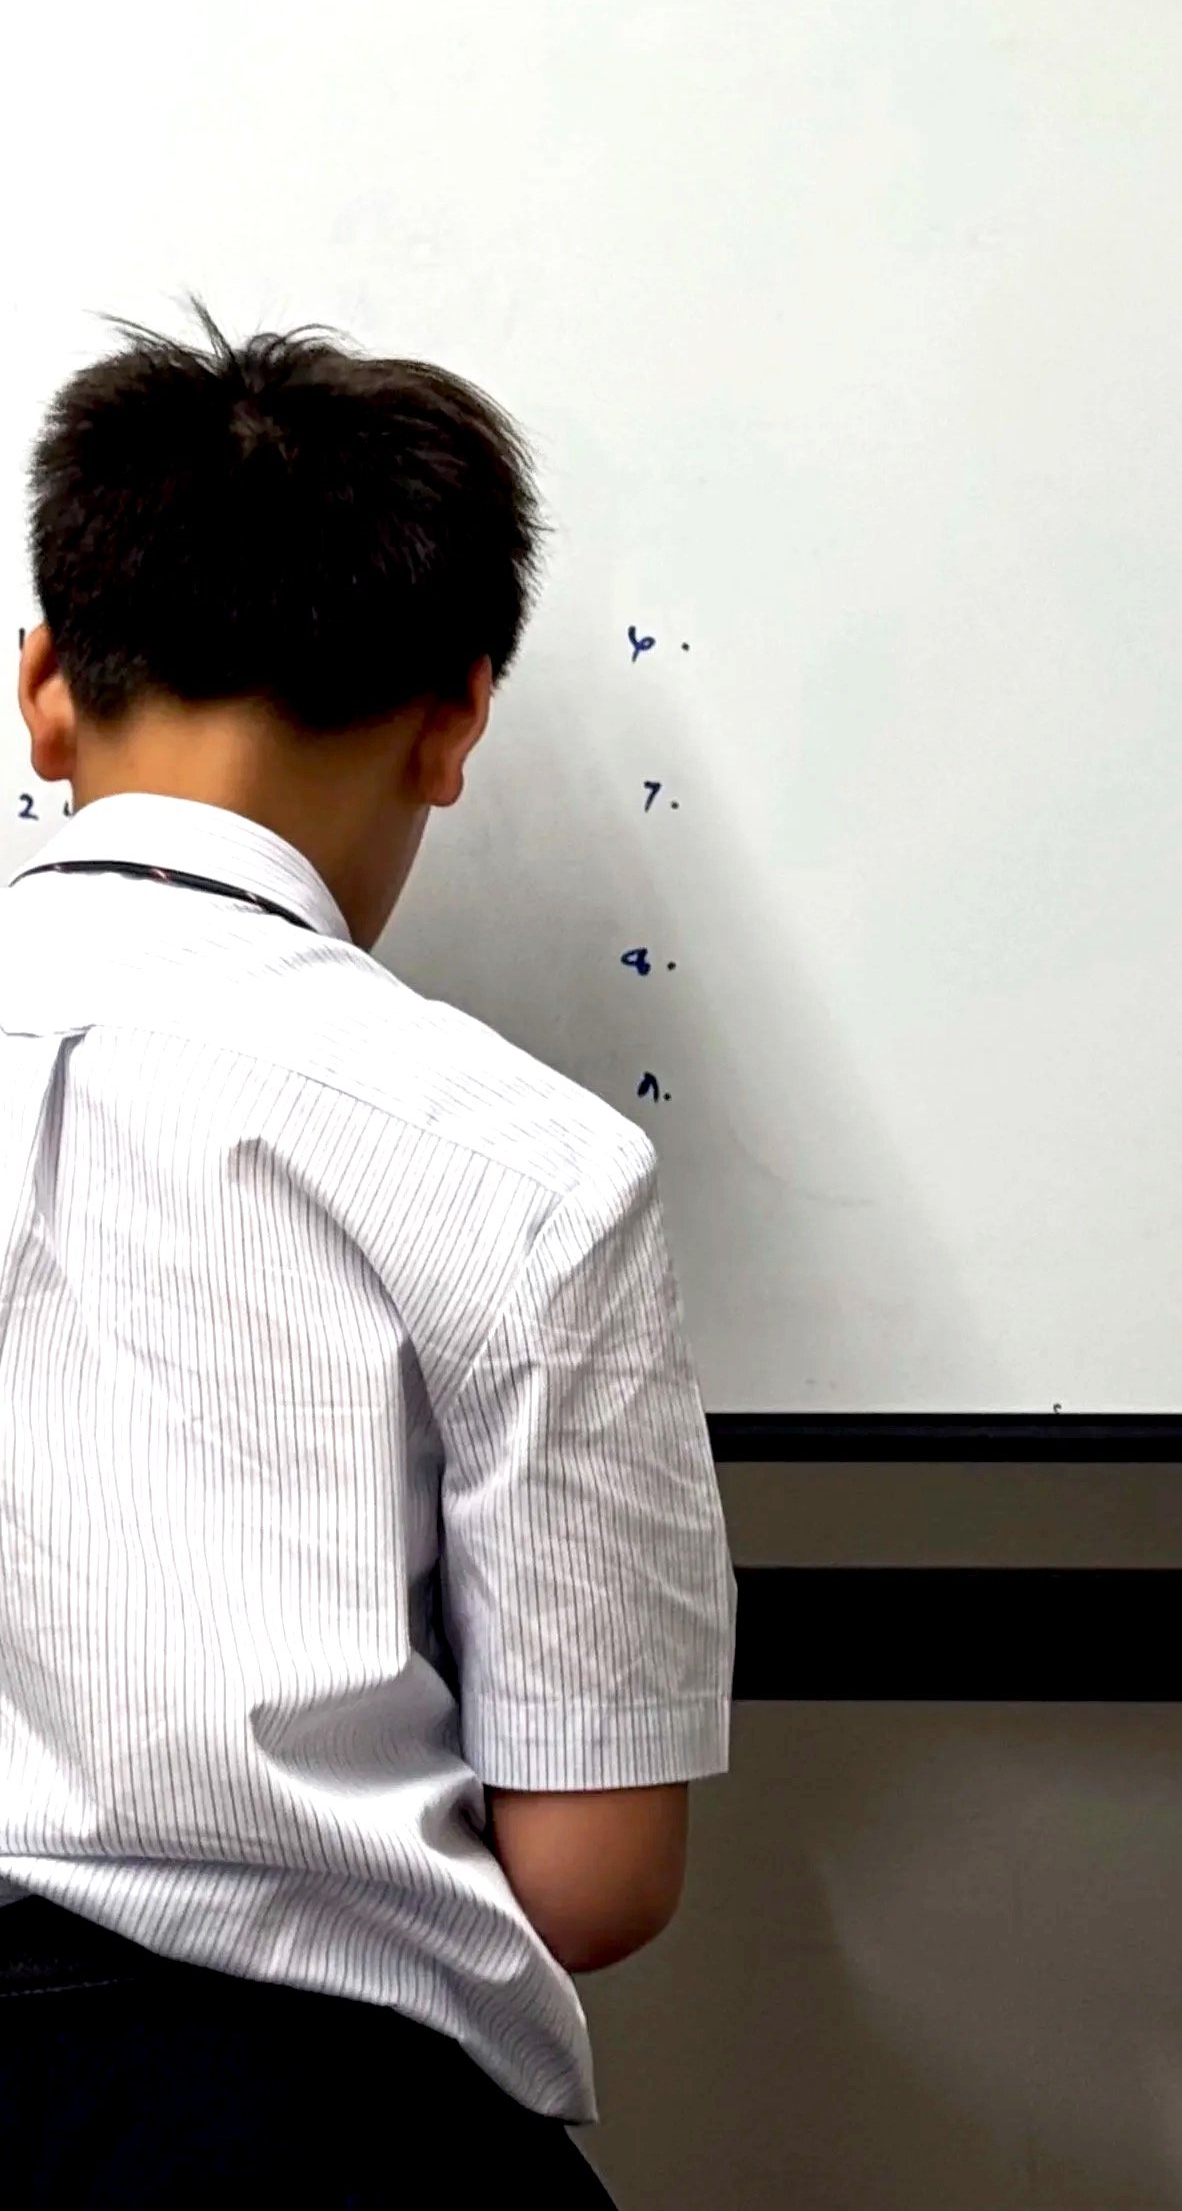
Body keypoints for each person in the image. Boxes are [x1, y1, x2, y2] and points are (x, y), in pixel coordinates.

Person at [0, 315, 733, 2204]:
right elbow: (592, 1879)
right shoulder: (530, 1172)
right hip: (288, 2134)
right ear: (455, 713)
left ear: (44, 687)